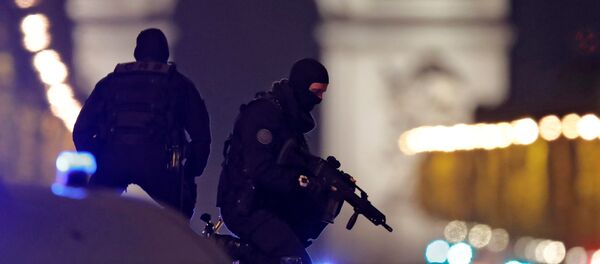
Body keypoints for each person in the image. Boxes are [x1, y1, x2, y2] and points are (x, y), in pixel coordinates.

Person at [73, 28, 211, 219]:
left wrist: (100, 158)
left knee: (92, 218)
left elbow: (82, 131)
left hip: (113, 162)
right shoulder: (178, 84)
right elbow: (201, 135)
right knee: (178, 220)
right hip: (160, 165)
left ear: (136, 52)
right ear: (165, 53)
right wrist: (189, 172)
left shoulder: (110, 82)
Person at [216, 58, 341, 264]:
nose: (319, 99)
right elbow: (260, 168)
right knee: (293, 259)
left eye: (323, 93)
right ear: (302, 86)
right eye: (316, 91)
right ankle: (237, 250)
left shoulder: (289, 120)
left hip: (270, 205)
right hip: (245, 205)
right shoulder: (263, 115)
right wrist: (301, 182)